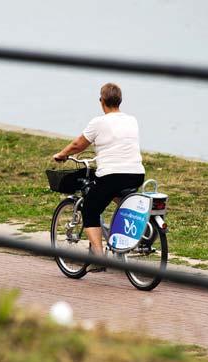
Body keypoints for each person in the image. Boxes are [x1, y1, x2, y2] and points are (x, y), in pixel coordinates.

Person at [52, 83, 145, 262]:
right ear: (120, 101)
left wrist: (62, 155)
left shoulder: (98, 122)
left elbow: (78, 145)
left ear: (101, 101)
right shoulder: (131, 120)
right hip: (136, 174)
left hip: (112, 175)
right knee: (112, 195)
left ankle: (98, 257)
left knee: (90, 209)